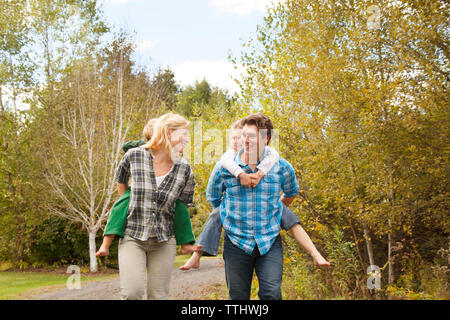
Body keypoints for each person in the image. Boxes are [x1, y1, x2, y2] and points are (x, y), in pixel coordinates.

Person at [180, 119, 329, 271]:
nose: (239, 141)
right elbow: (217, 187)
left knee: (293, 222)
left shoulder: (272, 157)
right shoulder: (228, 157)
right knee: (216, 215)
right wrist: (231, 209)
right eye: (235, 138)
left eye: (242, 137)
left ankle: (315, 253)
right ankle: (196, 256)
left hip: (269, 204)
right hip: (233, 208)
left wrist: (272, 207)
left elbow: (273, 155)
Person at [206, 113, 328, 300]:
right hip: (236, 242)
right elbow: (213, 196)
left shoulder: (281, 167)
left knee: (272, 294)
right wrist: (230, 213)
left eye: (252, 136)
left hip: (269, 242)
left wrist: (276, 210)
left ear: (266, 138)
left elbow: (291, 191)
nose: (245, 140)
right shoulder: (224, 167)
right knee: (238, 298)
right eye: (244, 135)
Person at [112, 112, 197, 300]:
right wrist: (128, 203)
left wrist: (186, 240)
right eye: (183, 134)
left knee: (158, 295)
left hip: (164, 240)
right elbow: (121, 179)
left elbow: (182, 206)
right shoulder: (134, 156)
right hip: (132, 235)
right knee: (132, 293)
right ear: (168, 133)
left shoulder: (184, 169)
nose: (187, 139)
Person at [96, 119, 200, 257]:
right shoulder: (138, 151)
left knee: (181, 208)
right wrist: (126, 198)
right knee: (119, 208)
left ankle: (186, 244)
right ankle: (105, 244)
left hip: (163, 231)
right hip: (136, 198)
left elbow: (185, 200)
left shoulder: (182, 165)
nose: (186, 140)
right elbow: (121, 174)